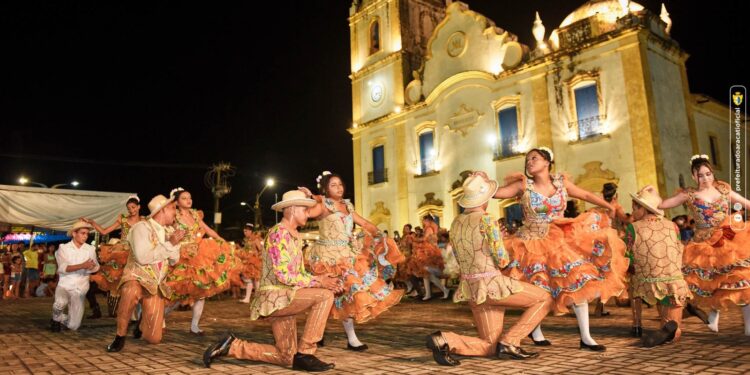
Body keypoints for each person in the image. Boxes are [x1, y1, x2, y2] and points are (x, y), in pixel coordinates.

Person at [477, 147, 628, 351]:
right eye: (527, 160)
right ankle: (536, 331)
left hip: (561, 238)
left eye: (534, 158)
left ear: (547, 162)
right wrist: (483, 181)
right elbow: (497, 193)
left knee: (578, 282)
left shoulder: (561, 183)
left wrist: (608, 206)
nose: (529, 162)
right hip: (531, 242)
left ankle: (586, 337)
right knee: (538, 286)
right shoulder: (524, 185)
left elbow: (584, 194)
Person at [202, 190, 342, 371]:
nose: (308, 213)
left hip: (287, 296)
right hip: (276, 296)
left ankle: (232, 346)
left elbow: (296, 273)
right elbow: (283, 275)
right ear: (292, 209)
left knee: (286, 357)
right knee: (324, 296)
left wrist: (321, 278)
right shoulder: (279, 234)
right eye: (304, 209)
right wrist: (319, 282)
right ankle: (306, 352)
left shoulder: (293, 235)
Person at [426, 175, 552, 366]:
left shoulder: (456, 222)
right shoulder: (486, 219)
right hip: (492, 285)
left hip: (472, 288)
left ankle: (444, 340)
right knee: (544, 298)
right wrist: (500, 239)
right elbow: (502, 260)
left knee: (490, 345)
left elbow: (459, 258)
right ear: (484, 199)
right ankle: (511, 341)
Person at [300, 171, 404, 351]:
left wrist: (379, 234)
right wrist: (305, 199)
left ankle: (351, 338)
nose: (338, 188)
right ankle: (317, 332)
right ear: (325, 188)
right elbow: (306, 214)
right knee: (327, 296)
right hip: (327, 258)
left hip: (347, 256)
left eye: (340, 184)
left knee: (347, 296)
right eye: (333, 185)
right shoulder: (323, 205)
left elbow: (363, 222)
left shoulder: (347, 205)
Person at [658, 155, 750, 335]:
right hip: (704, 244)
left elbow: (746, 203)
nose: (706, 178)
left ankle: (748, 325)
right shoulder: (689, 194)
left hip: (729, 240)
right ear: (694, 176)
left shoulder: (724, 191)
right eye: (701, 175)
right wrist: (649, 195)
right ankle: (713, 319)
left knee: (743, 281)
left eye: (708, 174)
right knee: (712, 284)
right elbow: (663, 204)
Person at [106, 195, 184, 352]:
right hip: (137, 277)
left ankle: (142, 323)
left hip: (154, 284)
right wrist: (170, 244)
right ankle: (120, 336)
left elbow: (175, 260)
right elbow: (142, 258)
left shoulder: (170, 231)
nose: (175, 212)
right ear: (162, 210)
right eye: (172, 208)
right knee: (130, 291)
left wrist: (173, 243)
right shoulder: (141, 228)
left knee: (154, 339)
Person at [626, 186, 693, 347]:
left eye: (634, 207)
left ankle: (664, 330)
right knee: (670, 304)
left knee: (645, 285)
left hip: (647, 279)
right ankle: (670, 330)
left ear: (642, 208)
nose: (633, 211)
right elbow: (678, 247)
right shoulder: (673, 225)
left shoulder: (633, 227)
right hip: (674, 278)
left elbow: (628, 253)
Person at [165, 188, 234, 335]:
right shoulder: (173, 215)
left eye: (189, 197)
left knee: (201, 293)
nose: (188, 200)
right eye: (184, 198)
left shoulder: (195, 214)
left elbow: (208, 230)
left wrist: (221, 240)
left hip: (200, 255)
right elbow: (164, 231)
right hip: (183, 256)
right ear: (176, 202)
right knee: (178, 296)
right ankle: (157, 319)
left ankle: (194, 326)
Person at [84, 195, 145, 317]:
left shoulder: (144, 221)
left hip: (138, 254)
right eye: (129, 208)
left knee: (140, 282)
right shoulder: (123, 220)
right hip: (123, 254)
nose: (131, 210)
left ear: (139, 207)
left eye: (133, 207)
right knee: (119, 282)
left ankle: (137, 312)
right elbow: (104, 231)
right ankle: (125, 311)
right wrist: (92, 223)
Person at [50, 220, 100, 332]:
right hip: (65, 285)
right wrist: (83, 265)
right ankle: (55, 319)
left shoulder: (90, 249)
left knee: (73, 326)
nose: (86, 236)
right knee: (60, 303)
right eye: (83, 233)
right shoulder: (63, 248)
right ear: (74, 234)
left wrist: (92, 267)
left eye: (87, 234)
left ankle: (60, 319)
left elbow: (96, 266)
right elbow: (63, 268)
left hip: (80, 288)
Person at [408, 214, 449, 301]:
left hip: (428, 254)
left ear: (428, 220)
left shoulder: (429, 229)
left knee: (427, 273)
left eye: (424, 220)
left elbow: (424, 239)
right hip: (427, 252)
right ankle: (430, 293)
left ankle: (442, 290)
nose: (423, 222)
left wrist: (413, 238)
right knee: (426, 275)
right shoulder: (428, 228)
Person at [231, 223, 262, 303]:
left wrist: (256, 255)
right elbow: (246, 251)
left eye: (246, 231)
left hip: (255, 262)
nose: (245, 233)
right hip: (248, 262)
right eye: (244, 231)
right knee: (249, 280)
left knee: (256, 281)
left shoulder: (256, 239)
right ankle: (248, 298)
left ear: (251, 231)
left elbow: (261, 250)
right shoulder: (247, 240)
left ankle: (258, 299)